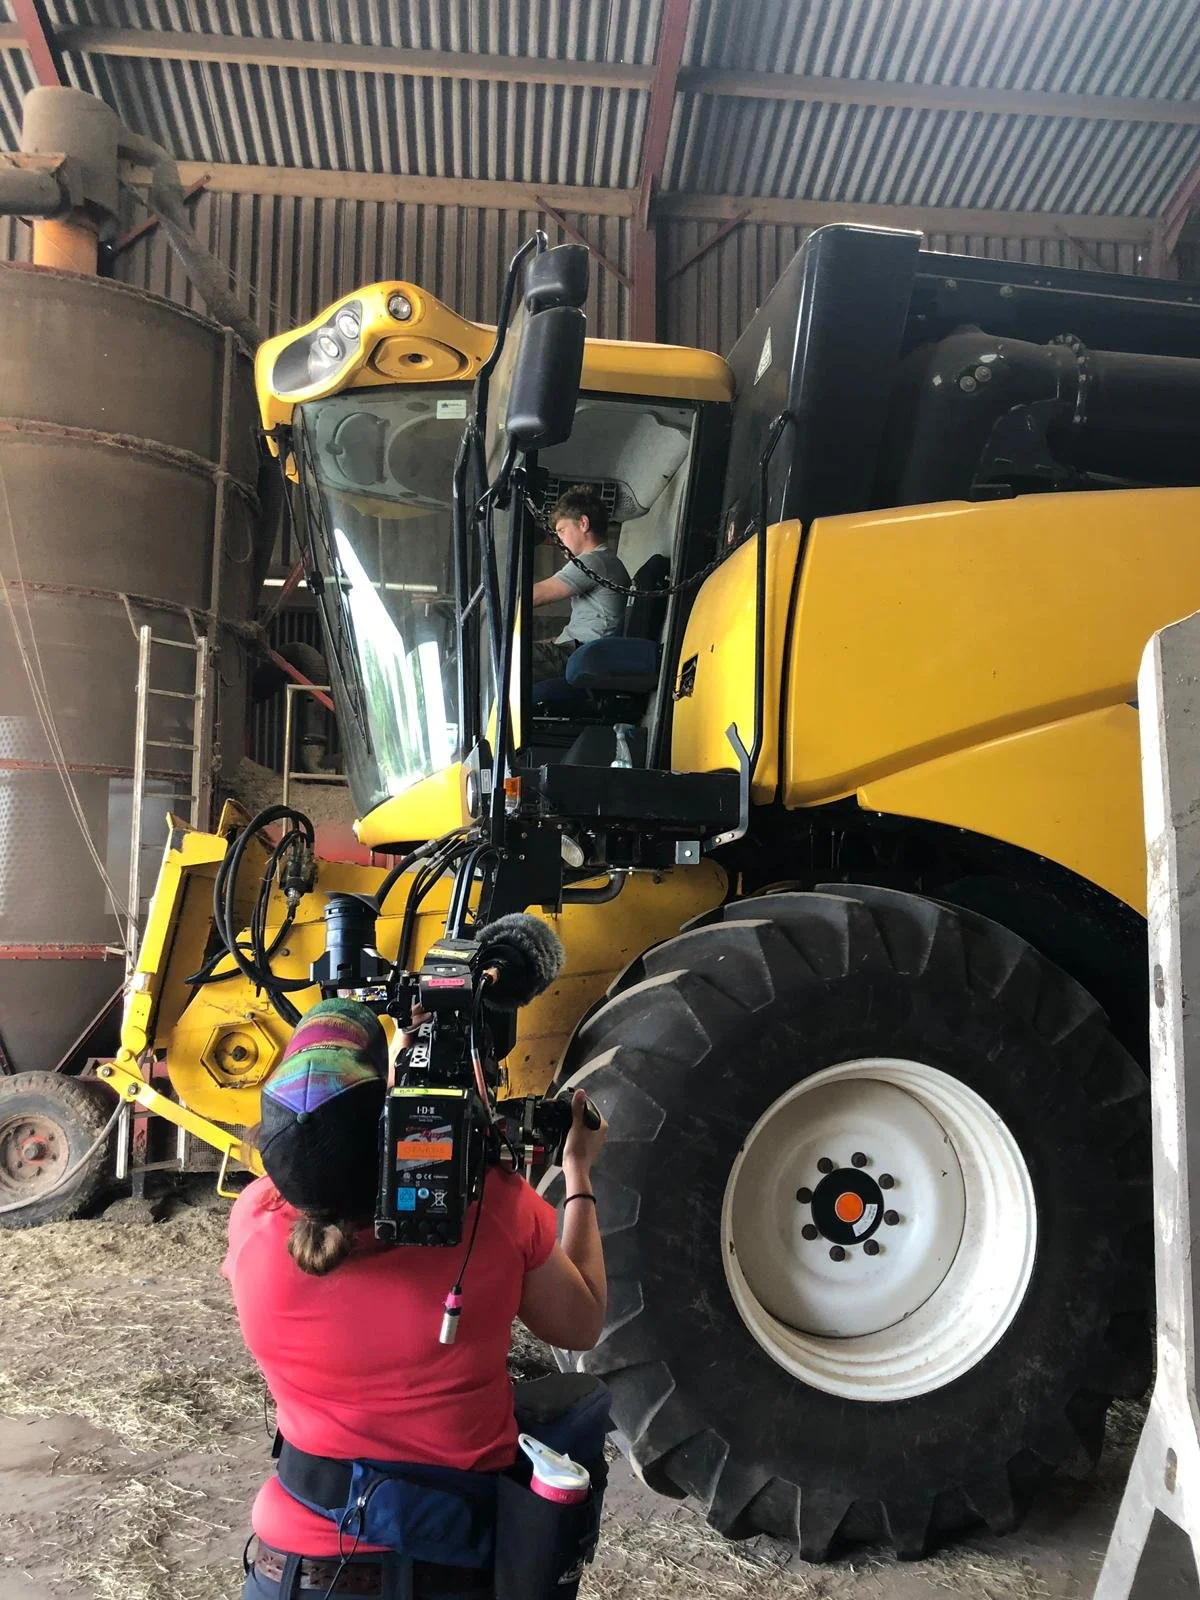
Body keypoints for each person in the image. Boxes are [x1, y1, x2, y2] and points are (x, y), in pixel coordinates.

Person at [224, 996, 609, 1600]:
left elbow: (331, 1164)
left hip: (289, 1573)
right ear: (392, 1128)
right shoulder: (493, 1210)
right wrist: (579, 1173)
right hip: (445, 1568)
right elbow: (581, 1324)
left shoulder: (254, 1220)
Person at [531, 485, 631, 681]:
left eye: (561, 530)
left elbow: (533, 596)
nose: (558, 540)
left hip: (582, 655)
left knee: (507, 657)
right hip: (577, 651)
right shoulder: (604, 560)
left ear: (583, 523)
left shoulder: (593, 561)